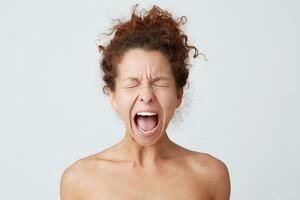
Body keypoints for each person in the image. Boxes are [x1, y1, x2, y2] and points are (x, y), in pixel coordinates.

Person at [60, 5, 231, 200]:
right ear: (113, 96)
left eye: (159, 82)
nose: (146, 95)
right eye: (132, 83)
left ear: (179, 94)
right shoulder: (78, 180)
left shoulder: (210, 176)